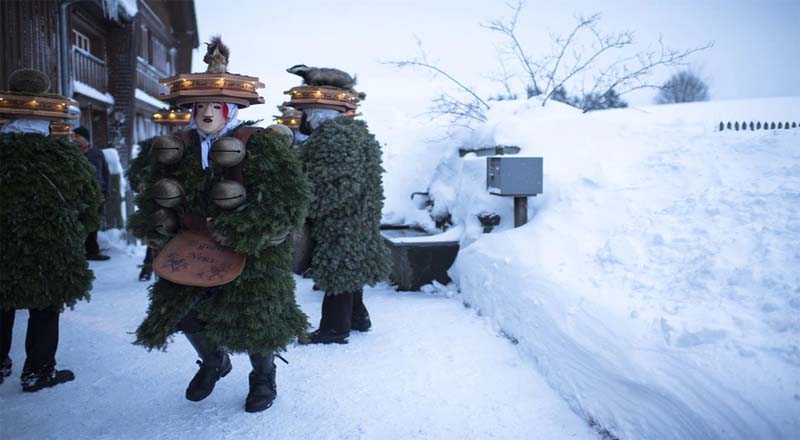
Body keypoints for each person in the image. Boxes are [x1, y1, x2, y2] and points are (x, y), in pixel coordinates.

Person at [128, 37, 311, 413]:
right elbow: (150, 196)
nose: (206, 113)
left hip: (250, 253)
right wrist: (155, 227)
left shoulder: (260, 144)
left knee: (256, 318)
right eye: (200, 106)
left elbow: (286, 203)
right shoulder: (174, 146)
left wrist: (246, 230)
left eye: (215, 106)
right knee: (188, 312)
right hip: (191, 249)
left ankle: (263, 377)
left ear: (230, 109)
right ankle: (214, 362)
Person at [0, 68, 102, 391]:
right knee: (45, 309)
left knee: (1, 305)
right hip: (51, 251)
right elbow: (90, 202)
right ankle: (38, 371)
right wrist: (75, 236)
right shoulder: (65, 156)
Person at [285, 67, 392, 344]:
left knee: (339, 268)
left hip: (342, 219)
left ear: (317, 112)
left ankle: (334, 329)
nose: (302, 119)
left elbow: (335, 186)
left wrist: (305, 207)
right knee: (351, 265)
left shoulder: (334, 137)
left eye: (305, 113)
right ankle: (358, 317)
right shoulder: (351, 132)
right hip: (358, 215)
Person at [73, 125, 111, 261]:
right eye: (73, 136)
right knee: (79, 222)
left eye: (77, 136)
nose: (75, 139)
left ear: (85, 138)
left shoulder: (96, 152)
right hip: (79, 193)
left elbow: (106, 172)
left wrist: (105, 191)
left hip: (96, 193)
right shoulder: (72, 153)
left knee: (93, 222)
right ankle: (76, 251)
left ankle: (92, 251)